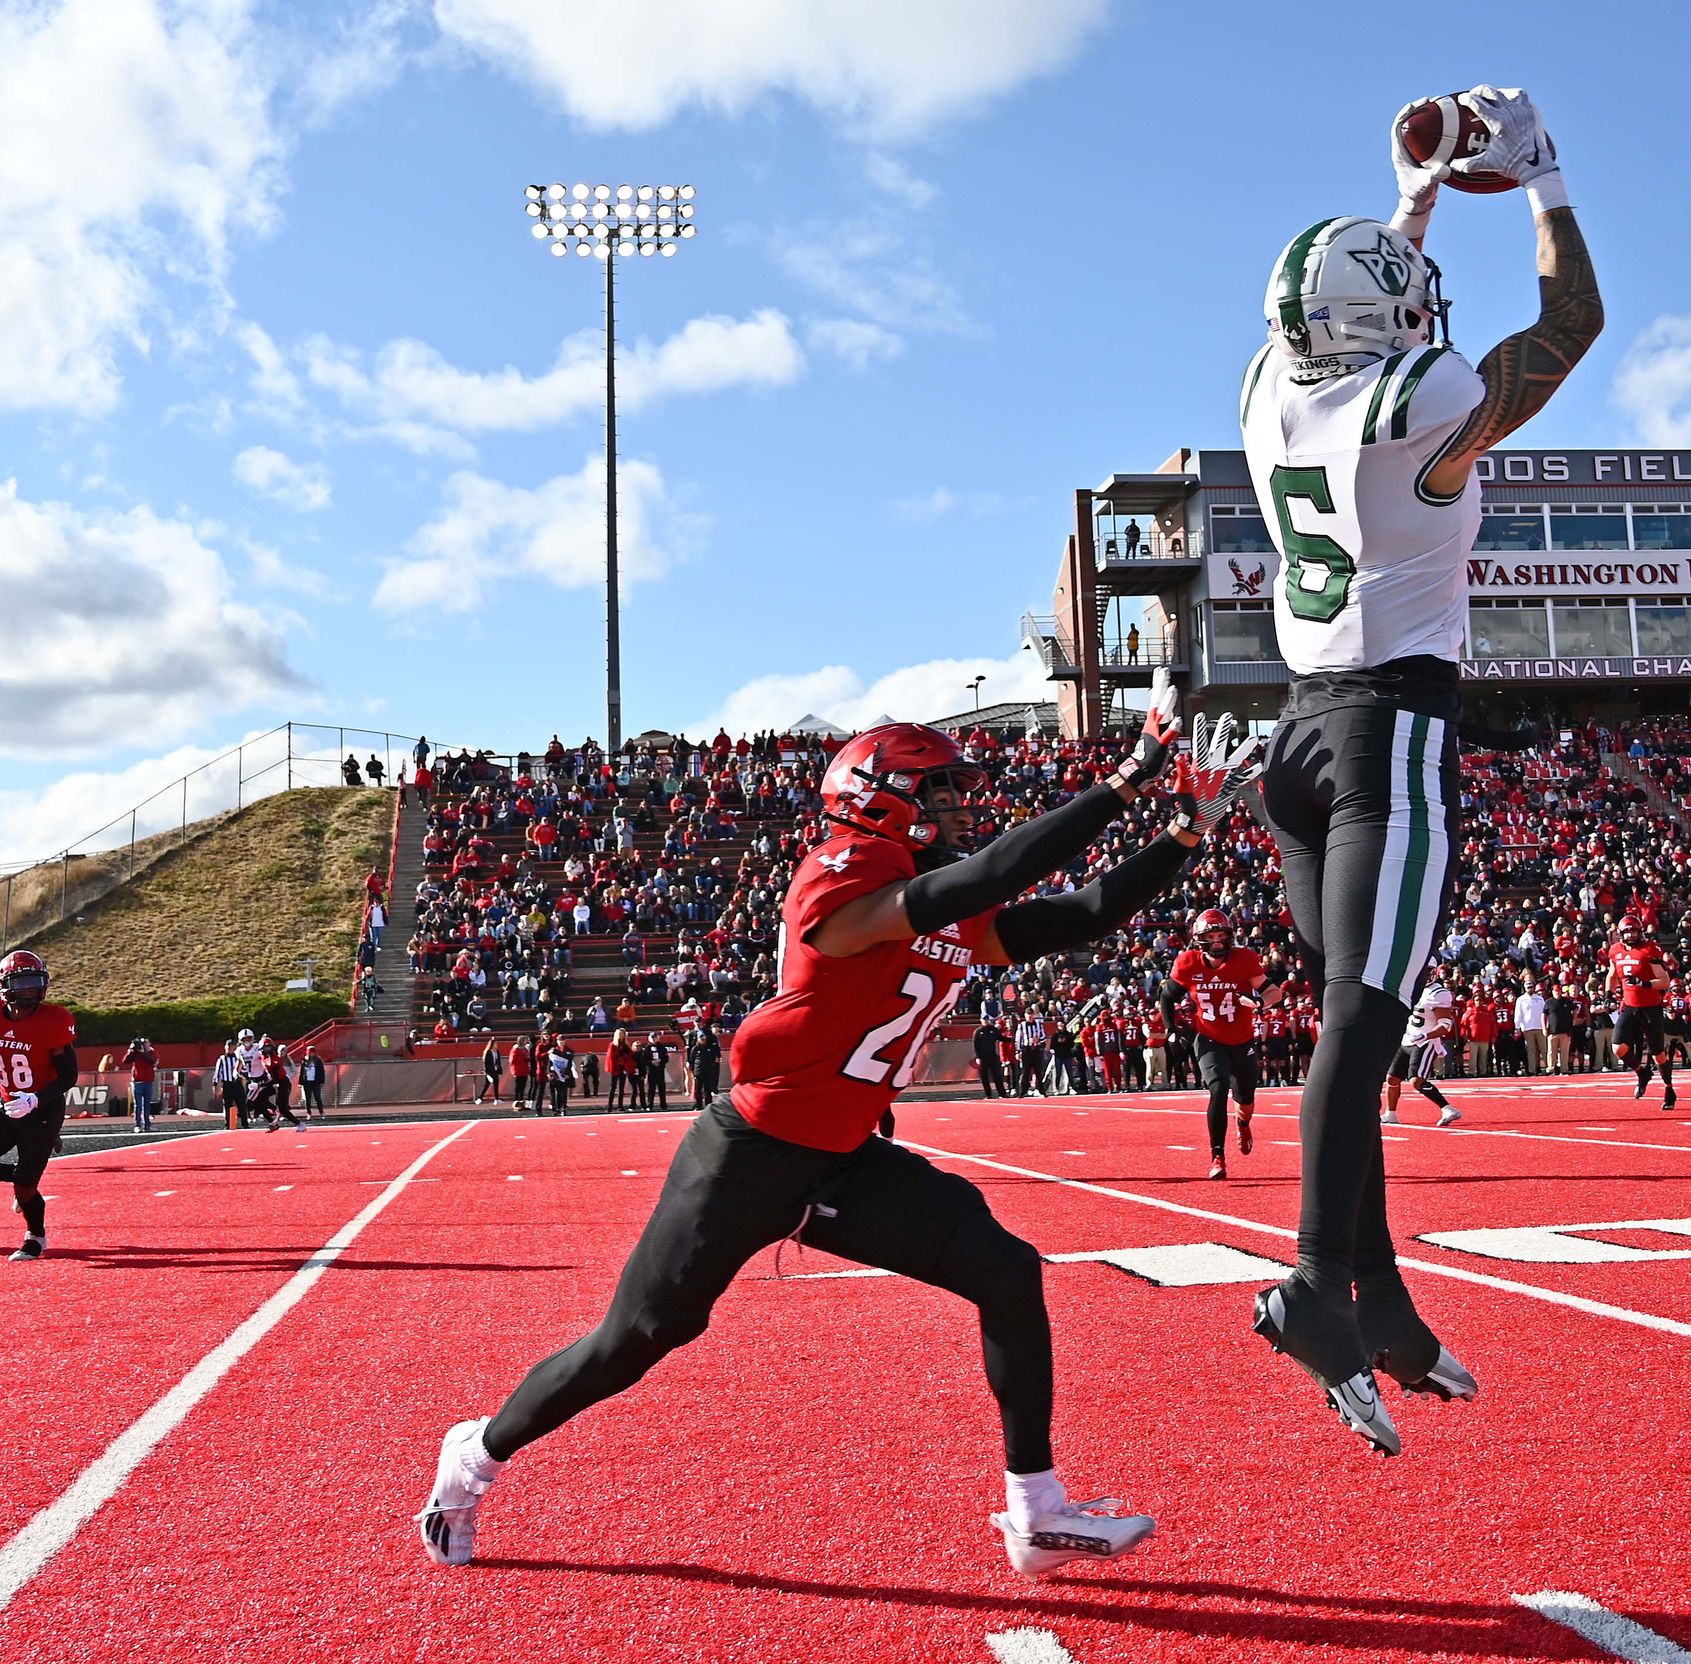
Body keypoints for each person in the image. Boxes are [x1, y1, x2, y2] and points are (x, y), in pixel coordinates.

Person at [417, 708, 1248, 1576]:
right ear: (885, 797)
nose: (963, 807)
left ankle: (1036, 1512)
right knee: (640, 1337)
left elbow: (1079, 916)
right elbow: (991, 874)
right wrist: (1125, 781)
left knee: (1005, 1269)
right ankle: (474, 1459)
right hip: (752, 1153)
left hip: (841, 1154)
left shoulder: (933, 893)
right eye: (941, 789)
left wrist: (1187, 831)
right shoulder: (844, 877)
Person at [1237, 86, 1585, 1452]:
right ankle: (1322, 1286)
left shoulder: (1270, 381)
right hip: (1392, 735)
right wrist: (1545, 181)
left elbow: (1354, 314)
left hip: (1300, 736)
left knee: (1350, 1019)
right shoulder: (1421, 393)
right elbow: (1567, 333)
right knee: (1363, 1027)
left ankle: (1379, 1293)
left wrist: (1416, 198)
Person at [1163, 909, 1270, 1179]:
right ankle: (1217, 1156)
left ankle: (1243, 1123)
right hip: (1208, 1036)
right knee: (1218, 1087)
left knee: (1245, 1099)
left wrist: (1260, 1001)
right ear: (1200, 939)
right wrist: (1171, 1029)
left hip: (1242, 1038)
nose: (1218, 941)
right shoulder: (1189, 963)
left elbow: (1272, 990)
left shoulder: (1244, 959)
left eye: (1222, 935)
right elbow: (1166, 996)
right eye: (1212, 936)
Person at [0, 951, 78, 1260]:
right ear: (6, 986)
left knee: (26, 1188)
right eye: (22, 984)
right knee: (22, 1177)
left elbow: (68, 1075)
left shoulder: (54, 1019)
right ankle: (22, 1172)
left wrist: (34, 1099)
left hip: (43, 1110)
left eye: (34, 983)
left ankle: (36, 1236)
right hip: (7, 1107)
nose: (29, 991)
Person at [1606, 915, 1676, 1104]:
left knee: (1658, 1054)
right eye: (1627, 931)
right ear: (1620, 933)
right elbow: (1612, 975)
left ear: (1640, 932)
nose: (1630, 935)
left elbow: (1664, 981)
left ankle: (1669, 1089)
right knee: (1618, 1048)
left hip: (1651, 1008)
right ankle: (1642, 1073)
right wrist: (1608, 994)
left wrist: (1643, 983)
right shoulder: (1615, 951)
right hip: (1629, 1007)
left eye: (1633, 931)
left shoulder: (1648, 950)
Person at [1380, 965, 1457, 1126]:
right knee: (1392, 1078)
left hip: (1425, 1041)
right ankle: (1391, 1113)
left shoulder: (1438, 993)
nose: (1423, 974)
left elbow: (1445, 1025)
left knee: (1416, 1081)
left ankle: (1447, 1109)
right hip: (1407, 1039)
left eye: (1427, 971)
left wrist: (1426, 1035)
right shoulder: (1409, 988)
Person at [120, 1036, 158, 1131]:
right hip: (137, 1082)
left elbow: (152, 1061)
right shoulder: (136, 1054)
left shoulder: (151, 1052)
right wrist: (131, 1050)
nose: (145, 1045)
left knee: (147, 1104)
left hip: (148, 1081)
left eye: (146, 1043)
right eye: (143, 1043)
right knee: (138, 1105)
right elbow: (125, 1061)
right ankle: (138, 1125)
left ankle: (147, 1125)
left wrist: (144, 1052)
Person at [684, 1020, 723, 1104]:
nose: (703, 1039)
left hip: (708, 1068)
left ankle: (708, 1103)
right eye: (701, 1038)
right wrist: (690, 1064)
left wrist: (717, 1057)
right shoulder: (695, 1047)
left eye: (703, 1038)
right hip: (698, 1069)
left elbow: (714, 1054)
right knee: (698, 1087)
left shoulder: (709, 1046)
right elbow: (691, 1057)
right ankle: (698, 1104)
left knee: (707, 1087)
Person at [297, 1047, 327, 1118]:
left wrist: (322, 1081)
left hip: (316, 1082)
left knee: (317, 1097)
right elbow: (302, 1072)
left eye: (313, 1052)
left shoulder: (318, 1060)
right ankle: (309, 1113)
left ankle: (321, 1112)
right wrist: (300, 1082)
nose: (311, 1054)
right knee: (308, 1098)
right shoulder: (304, 1060)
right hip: (307, 1082)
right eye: (310, 1052)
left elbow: (322, 1071)